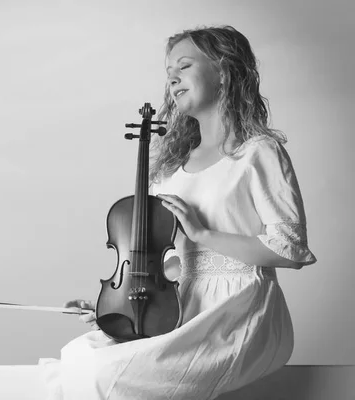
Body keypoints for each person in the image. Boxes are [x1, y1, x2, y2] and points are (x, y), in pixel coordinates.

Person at [39, 25, 317, 400]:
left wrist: (204, 234)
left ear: (224, 70)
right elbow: (167, 264)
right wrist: (118, 303)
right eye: (169, 71)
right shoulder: (171, 170)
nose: (172, 78)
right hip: (175, 306)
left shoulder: (257, 153)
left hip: (237, 311)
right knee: (77, 357)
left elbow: (289, 250)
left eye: (184, 66)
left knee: (104, 375)